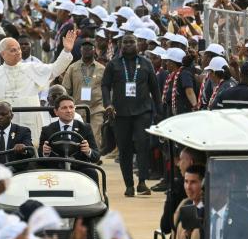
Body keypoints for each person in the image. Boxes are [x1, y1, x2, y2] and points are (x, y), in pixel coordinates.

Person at [0, 31, 76, 138]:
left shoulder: (32, 68)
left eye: (18, 49)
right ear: (3, 54)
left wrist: (66, 50)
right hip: (7, 125)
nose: (18, 52)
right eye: (13, 50)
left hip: (31, 122)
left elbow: (55, 69)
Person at [102, 31, 162, 197]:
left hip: (142, 111)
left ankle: (142, 182)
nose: (128, 45)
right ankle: (129, 184)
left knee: (143, 145)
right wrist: (108, 104)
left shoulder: (146, 63)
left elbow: (155, 88)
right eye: (125, 42)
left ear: (137, 44)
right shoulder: (113, 64)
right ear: (121, 45)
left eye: (131, 42)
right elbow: (105, 85)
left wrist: (159, 110)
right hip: (120, 113)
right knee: (124, 149)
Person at [39, 95, 101, 182]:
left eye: (71, 107)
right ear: (56, 112)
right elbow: (40, 157)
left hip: (79, 168)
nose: (69, 111)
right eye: (64, 108)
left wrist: (88, 151)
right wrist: (45, 153)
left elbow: (96, 156)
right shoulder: (47, 130)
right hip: (55, 168)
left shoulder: (85, 128)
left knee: (92, 173)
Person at [62, 38, 106, 146]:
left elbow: (107, 89)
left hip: (96, 109)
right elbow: (65, 89)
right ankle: (82, 160)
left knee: (95, 136)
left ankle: (93, 159)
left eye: (89, 48)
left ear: (94, 50)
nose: (87, 51)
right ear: (80, 50)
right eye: (84, 49)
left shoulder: (102, 69)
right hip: (78, 109)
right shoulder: (72, 68)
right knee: (79, 138)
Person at [161, 48, 197, 117]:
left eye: (168, 61)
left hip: (183, 115)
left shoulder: (184, 73)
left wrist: (195, 107)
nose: (166, 63)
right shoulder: (172, 75)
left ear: (172, 63)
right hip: (173, 114)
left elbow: (189, 91)